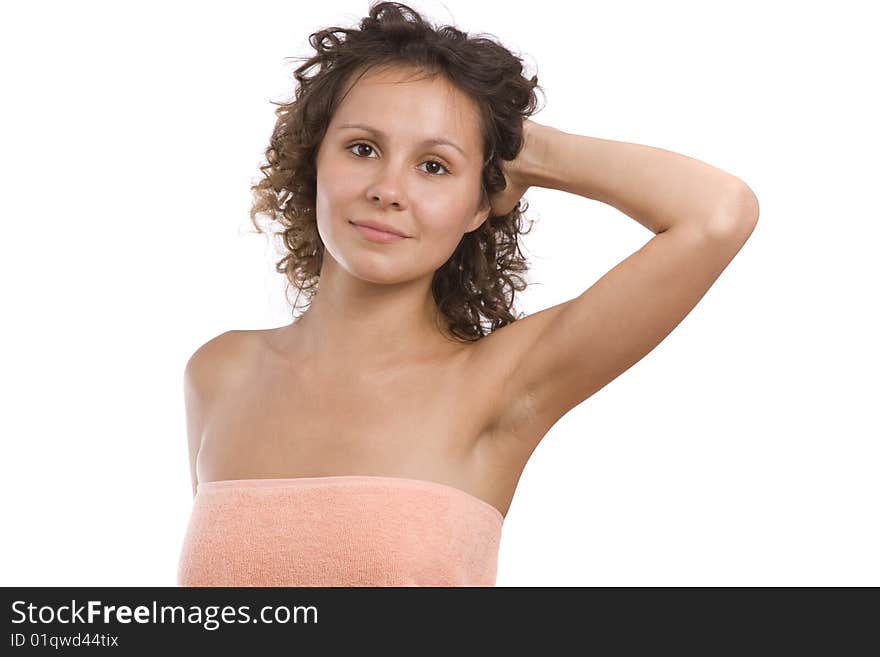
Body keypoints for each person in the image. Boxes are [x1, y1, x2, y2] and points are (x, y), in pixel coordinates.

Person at [177, 1, 759, 587]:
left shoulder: (501, 383)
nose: (388, 189)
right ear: (314, 161)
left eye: (433, 166)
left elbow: (716, 213)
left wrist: (517, 144)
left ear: (481, 203)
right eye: (361, 148)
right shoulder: (220, 372)